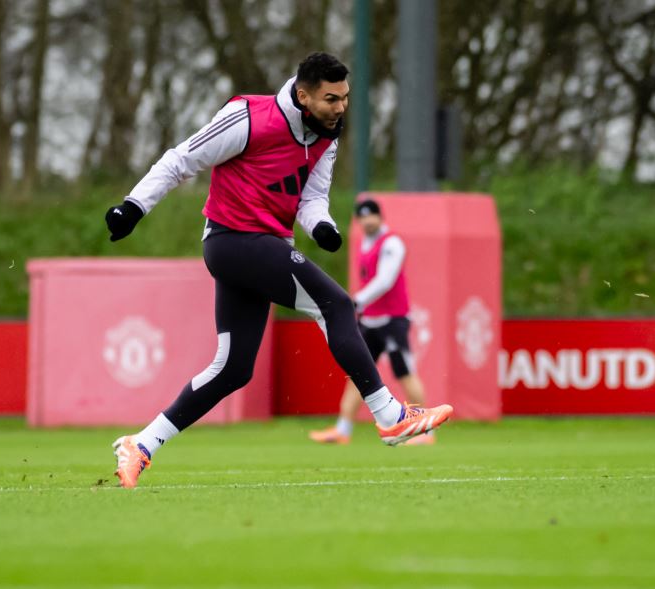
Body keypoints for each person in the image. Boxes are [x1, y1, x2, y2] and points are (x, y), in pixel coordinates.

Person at [105, 52, 453, 489]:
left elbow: (311, 199)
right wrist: (133, 207)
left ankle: (142, 444)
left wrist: (321, 226)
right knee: (337, 305)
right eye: (331, 99)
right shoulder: (248, 117)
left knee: (233, 368)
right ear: (303, 95)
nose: (341, 107)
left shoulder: (327, 134)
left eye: (345, 98)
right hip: (234, 242)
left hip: (259, 248)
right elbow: (181, 160)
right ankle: (389, 415)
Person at [309, 199, 434, 445]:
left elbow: (386, 280)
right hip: (371, 320)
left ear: (379, 216)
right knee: (358, 373)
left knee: (405, 373)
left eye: (370, 217)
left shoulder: (392, 243)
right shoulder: (366, 243)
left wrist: (358, 301)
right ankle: (342, 429)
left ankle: (426, 431)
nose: (366, 222)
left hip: (393, 320)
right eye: (362, 218)